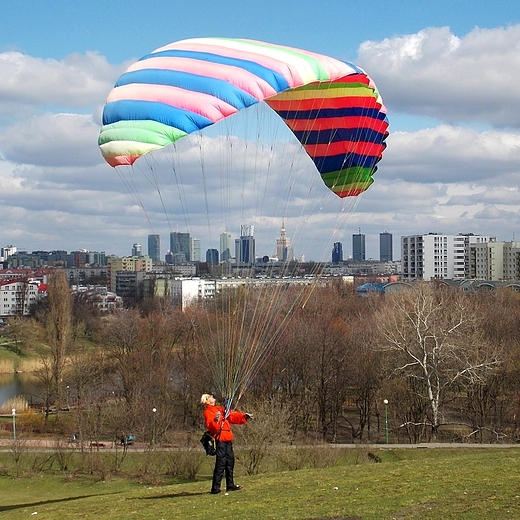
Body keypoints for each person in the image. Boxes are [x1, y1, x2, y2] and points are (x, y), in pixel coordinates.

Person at [201, 393, 252, 494]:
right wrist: (216, 420)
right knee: (221, 464)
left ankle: (230, 485)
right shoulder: (208, 412)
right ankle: (215, 488)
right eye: (210, 397)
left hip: (228, 439)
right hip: (220, 440)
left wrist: (244, 416)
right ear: (207, 401)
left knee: (230, 462)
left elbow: (232, 416)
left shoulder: (220, 409)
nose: (213, 397)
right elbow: (211, 427)